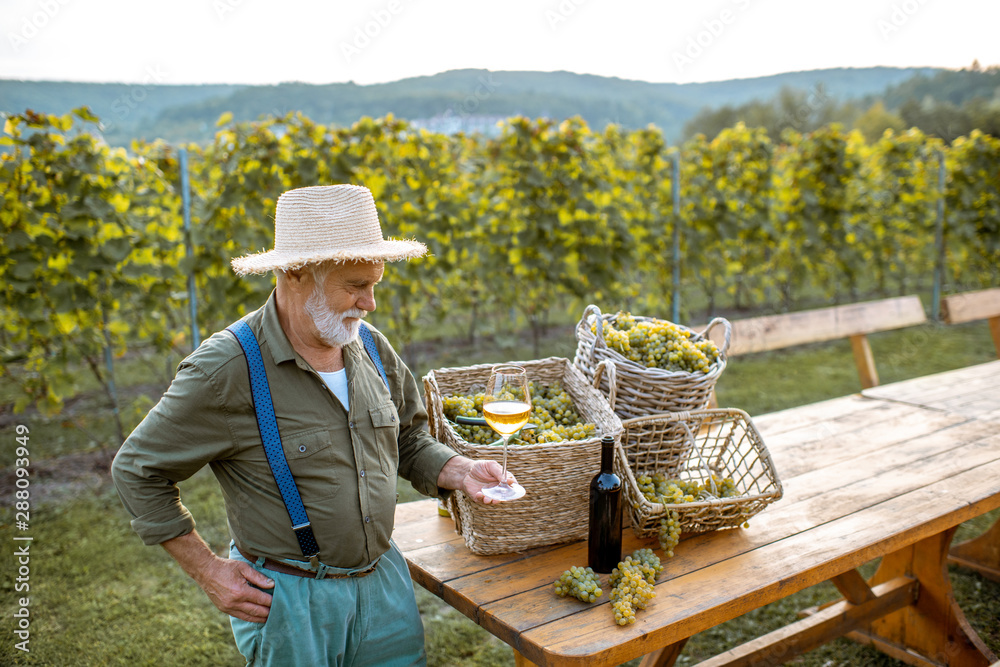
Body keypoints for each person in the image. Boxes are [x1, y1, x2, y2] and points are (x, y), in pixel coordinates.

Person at [111, 184, 515, 667]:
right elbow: (137, 469)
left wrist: (457, 469)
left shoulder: (369, 346)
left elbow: (407, 437)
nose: (369, 303)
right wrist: (209, 572)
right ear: (295, 273)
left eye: (374, 284)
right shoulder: (226, 369)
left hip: (385, 582)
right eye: (354, 286)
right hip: (292, 601)